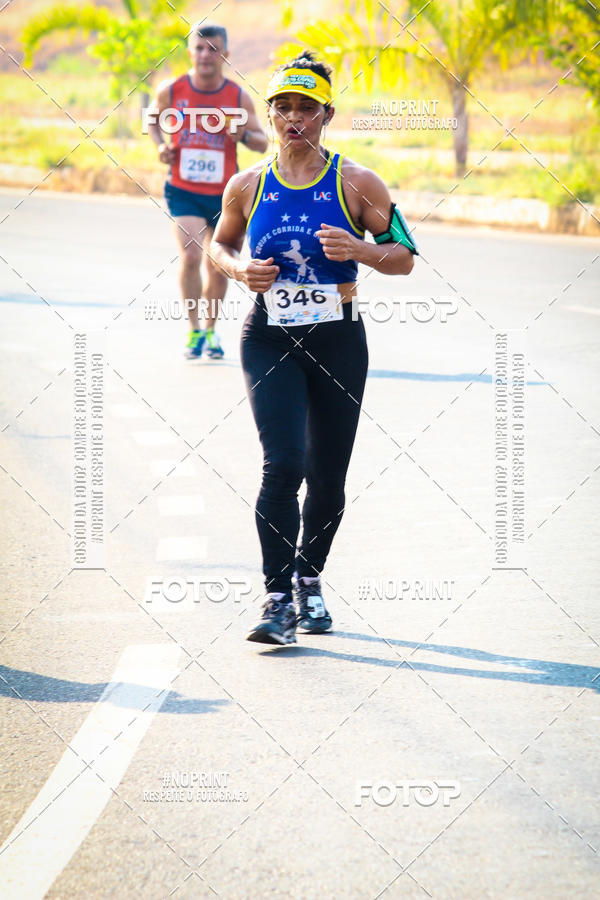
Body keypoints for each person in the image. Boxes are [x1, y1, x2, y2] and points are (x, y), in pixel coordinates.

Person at [211, 51, 418, 644]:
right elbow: (219, 246)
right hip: (268, 336)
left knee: (326, 477)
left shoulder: (357, 183)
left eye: (307, 108)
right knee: (284, 465)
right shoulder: (247, 184)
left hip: (337, 339)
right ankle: (277, 600)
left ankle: (309, 580)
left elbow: (404, 256)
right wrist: (240, 270)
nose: (294, 118)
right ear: (270, 115)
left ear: (327, 114)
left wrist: (361, 251)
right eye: (283, 108)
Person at [148, 21, 267, 359]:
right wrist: (161, 147)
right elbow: (153, 121)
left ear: (225, 54)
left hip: (225, 194)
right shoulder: (172, 90)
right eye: (199, 48)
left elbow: (262, 142)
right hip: (183, 188)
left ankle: (211, 330)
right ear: (190, 52)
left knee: (218, 264)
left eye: (213, 49)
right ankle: (194, 330)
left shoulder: (237, 96)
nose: (205, 55)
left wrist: (243, 134)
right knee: (191, 256)